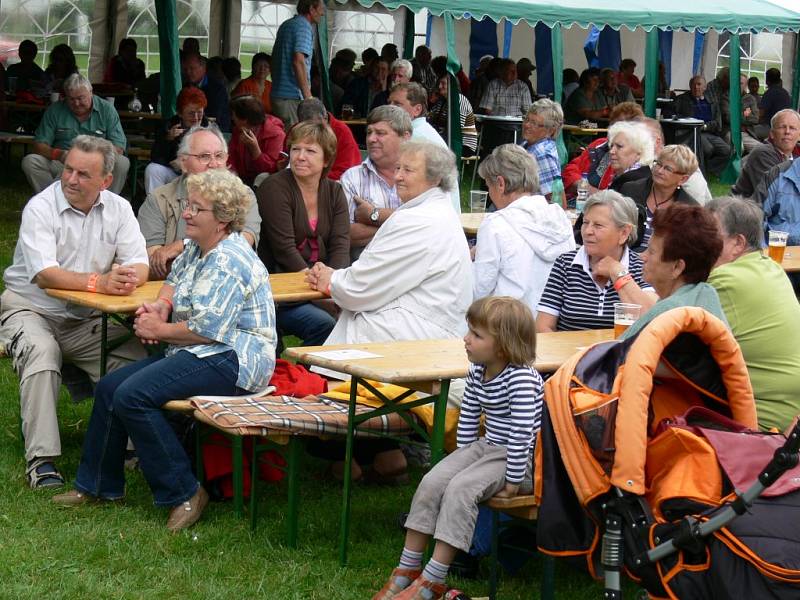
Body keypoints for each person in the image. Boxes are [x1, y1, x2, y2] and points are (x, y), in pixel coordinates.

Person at [52, 169, 277, 532]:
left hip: (236, 359)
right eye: (188, 204)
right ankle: (96, 486)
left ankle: (186, 492)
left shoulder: (229, 259)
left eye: (196, 209)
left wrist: (159, 329)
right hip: (202, 351)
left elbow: (208, 331)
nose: (186, 213)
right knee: (111, 387)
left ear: (221, 219)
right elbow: (172, 282)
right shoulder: (196, 247)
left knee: (132, 396)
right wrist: (160, 306)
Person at [0, 135, 149, 489]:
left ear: (106, 181)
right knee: (41, 353)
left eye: (83, 174)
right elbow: (44, 274)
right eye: (68, 169)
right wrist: (101, 282)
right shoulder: (40, 207)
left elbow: (140, 263)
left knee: (134, 357)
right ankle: (42, 460)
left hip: (85, 317)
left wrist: (128, 278)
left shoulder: (119, 208)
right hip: (29, 308)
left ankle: (130, 448)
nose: (70, 179)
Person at [372, 296, 543, 600]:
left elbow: (521, 436)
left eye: (476, 335)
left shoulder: (522, 380)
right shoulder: (478, 370)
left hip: (518, 459)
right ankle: (407, 569)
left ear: (502, 346)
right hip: (486, 447)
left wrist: (514, 481)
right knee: (433, 480)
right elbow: (468, 416)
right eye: (469, 331)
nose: (466, 339)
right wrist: (461, 457)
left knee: (461, 489)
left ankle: (434, 579)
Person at [306, 140, 471, 346]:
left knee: (342, 346)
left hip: (415, 335)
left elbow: (363, 286)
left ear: (435, 178)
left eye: (408, 170)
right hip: (430, 329)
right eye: (398, 168)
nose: (398, 176)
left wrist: (330, 280)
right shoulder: (437, 211)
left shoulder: (419, 219)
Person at [707, 196, 800, 432]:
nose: (697, 241)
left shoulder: (726, 279)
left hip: (761, 429)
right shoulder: (770, 267)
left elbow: (671, 346)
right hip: (790, 415)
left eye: (708, 234)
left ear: (737, 243)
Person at [258, 121, 349, 346]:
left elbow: (341, 244)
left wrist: (331, 284)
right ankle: (300, 376)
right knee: (325, 325)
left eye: (310, 151)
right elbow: (284, 251)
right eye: (296, 149)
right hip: (280, 293)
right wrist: (322, 296)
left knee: (361, 322)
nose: (300, 156)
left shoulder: (335, 191)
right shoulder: (274, 187)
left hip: (322, 288)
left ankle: (312, 377)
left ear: (326, 159)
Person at [138, 126, 261, 279]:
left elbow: (242, 244)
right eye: (204, 156)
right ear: (183, 163)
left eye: (219, 156)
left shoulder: (243, 195)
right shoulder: (158, 200)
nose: (213, 164)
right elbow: (156, 263)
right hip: (170, 295)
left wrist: (182, 245)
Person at [473, 145, 574, 315]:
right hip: (551, 321)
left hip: (507, 323)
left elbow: (479, 289)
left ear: (500, 183)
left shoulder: (496, 224)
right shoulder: (560, 217)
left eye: (488, 185)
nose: (489, 193)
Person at [537, 190, 656, 332]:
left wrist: (617, 272)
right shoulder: (565, 264)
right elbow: (542, 326)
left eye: (598, 225)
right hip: (570, 353)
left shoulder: (641, 266)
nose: (587, 231)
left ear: (624, 233)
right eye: (586, 223)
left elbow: (652, 319)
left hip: (621, 353)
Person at [619, 204, 726, 340]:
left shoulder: (668, 312)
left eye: (651, 251)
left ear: (677, 267)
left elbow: (613, 357)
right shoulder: (708, 296)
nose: (642, 256)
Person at [22, 73, 129, 195]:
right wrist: (59, 154)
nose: (76, 103)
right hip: (63, 161)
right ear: (65, 97)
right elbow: (39, 144)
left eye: (81, 98)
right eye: (71, 99)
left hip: (97, 162)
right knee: (30, 161)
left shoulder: (107, 110)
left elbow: (118, 147)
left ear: (91, 92)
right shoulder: (55, 110)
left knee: (122, 162)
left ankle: (104, 202)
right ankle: (51, 199)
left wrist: (93, 159)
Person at [339, 105, 411, 260]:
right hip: (365, 269)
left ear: (405, 137)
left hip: (412, 267)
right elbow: (345, 234)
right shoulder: (352, 178)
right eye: (369, 132)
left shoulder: (422, 177)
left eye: (380, 133)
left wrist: (374, 215)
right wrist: (408, 227)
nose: (371, 139)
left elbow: (432, 224)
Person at [389, 82, 461, 214]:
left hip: (435, 215)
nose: (390, 108)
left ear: (417, 109)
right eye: (390, 102)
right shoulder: (420, 130)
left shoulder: (415, 137)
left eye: (397, 104)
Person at [619, 144, 699, 252]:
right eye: (658, 164)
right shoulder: (630, 190)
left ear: (683, 179)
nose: (659, 171)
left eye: (668, 169)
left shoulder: (690, 209)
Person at [562, 101, 644, 196]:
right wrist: (588, 189)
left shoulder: (635, 157)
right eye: (613, 125)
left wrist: (592, 193)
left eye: (621, 127)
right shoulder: (600, 144)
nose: (614, 130)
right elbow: (570, 170)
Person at [270, 0, 325, 126]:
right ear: (311, 9)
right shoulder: (304, 27)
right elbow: (298, 61)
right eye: (321, 9)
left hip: (278, 95)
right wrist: (308, 98)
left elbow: (274, 58)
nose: (322, 14)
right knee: (295, 139)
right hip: (292, 97)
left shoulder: (287, 25)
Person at [146, 86, 209, 194]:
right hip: (175, 175)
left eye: (199, 112)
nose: (196, 117)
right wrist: (168, 140)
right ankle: (155, 207)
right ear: (180, 113)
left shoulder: (208, 129)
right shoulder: (169, 126)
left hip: (199, 177)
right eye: (191, 113)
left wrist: (187, 164)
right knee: (153, 169)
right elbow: (155, 157)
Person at [732, 109, 800, 198]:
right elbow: (779, 192)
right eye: (782, 127)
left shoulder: (796, 153)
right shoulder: (762, 154)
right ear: (772, 134)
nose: (787, 132)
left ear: (799, 136)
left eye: (792, 128)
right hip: (746, 209)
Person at [674, 75, 731, 176]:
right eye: (693, 84)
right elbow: (670, 113)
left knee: (727, 151)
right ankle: (700, 171)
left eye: (699, 84)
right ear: (690, 86)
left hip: (709, 132)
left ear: (705, 87)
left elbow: (717, 123)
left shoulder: (711, 102)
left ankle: (709, 169)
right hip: (693, 132)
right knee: (708, 149)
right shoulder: (682, 99)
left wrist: (705, 126)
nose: (696, 87)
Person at [294, 98, 361, 180]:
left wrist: (312, 177)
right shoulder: (296, 130)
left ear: (325, 118)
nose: (311, 131)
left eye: (315, 126)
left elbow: (347, 173)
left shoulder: (341, 132)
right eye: (306, 127)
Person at [227, 95, 285, 187]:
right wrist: (233, 176)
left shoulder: (276, 134)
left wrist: (255, 150)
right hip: (241, 180)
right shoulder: (238, 130)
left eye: (234, 115)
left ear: (245, 119)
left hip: (265, 184)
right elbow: (231, 157)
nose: (232, 118)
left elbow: (271, 169)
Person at [428, 74, 478, 157]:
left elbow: (456, 130)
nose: (440, 86)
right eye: (439, 83)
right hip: (445, 140)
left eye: (443, 84)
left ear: (453, 86)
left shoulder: (460, 100)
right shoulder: (441, 101)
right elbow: (429, 121)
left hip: (463, 145)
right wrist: (431, 102)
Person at [520, 99, 563, 196]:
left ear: (551, 130)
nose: (527, 125)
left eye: (534, 123)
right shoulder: (528, 144)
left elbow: (555, 199)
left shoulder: (542, 153)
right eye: (527, 119)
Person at [183, 53, 231, 132]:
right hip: (193, 129)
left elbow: (214, 116)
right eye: (185, 69)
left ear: (203, 68)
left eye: (192, 69)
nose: (188, 72)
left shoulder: (217, 88)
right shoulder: (185, 86)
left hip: (217, 131)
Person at [605, 120, 654, 191]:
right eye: (611, 146)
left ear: (638, 153)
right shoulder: (644, 175)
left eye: (619, 146)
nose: (611, 151)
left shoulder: (631, 182)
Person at [756, 68, 792, 140]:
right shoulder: (785, 93)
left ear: (767, 80)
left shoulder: (770, 93)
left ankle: (756, 149)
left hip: (770, 128)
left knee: (747, 132)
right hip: (784, 129)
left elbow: (760, 114)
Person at [740, 74, 762, 154]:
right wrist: (744, 115)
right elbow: (729, 117)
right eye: (752, 86)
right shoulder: (728, 97)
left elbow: (756, 118)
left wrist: (742, 116)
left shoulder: (754, 99)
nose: (754, 88)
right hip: (741, 129)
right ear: (748, 86)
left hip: (751, 128)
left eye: (756, 86)